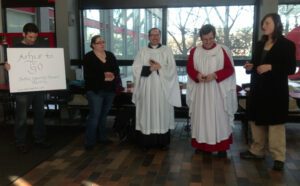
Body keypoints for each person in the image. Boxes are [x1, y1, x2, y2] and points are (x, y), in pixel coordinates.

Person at [240, 13, 296, 171]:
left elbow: (291, 68)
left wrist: (271, 67)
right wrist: (251, 67)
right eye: (263, 23)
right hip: (258, 89)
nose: (264, 26)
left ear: (277, 25)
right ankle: (257, 151)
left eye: (267, 23)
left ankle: (279, 157)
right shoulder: (259, 44)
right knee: (256, 121)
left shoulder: (287, 45)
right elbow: (256, 64)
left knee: (275, 124)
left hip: (276, 91)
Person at [186, 24, 237, 158]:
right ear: (201, 38)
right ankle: (201, 145)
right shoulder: (194, 52)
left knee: (219, 119)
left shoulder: (222, 50)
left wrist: (215, 75)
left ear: (214, 36)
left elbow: (229, 69)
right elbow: (190, 68)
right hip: (200, 91)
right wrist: (197, 75)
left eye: (210, 38)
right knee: (201, 118)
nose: (208, 42)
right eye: (205, 39)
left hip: (217, 92)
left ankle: (221, 147)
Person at [132, 28, 182, 149]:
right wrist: (149, 69)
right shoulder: (142, 51)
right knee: (146, 111)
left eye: (157, 35)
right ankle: (146, 142)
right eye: (152, 35)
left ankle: (162, 142)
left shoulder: (166, 50)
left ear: (160, 36)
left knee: (162, 111)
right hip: (146, 88)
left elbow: (172, 69)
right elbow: (135, 68)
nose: (155, 37)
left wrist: (160, 67)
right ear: (148, 37)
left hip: (162, 89)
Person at [4, 23, 50, 153]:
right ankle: (20, 142)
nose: (32, 40)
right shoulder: (15, 49)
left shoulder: (39, 48)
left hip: (38, 87)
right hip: (22, 89)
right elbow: (9, 66)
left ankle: (39, 139)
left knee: (40, 115)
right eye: (30, 37)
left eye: (35, 37)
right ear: (23, 34)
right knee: (21, 117)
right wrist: (7, 67)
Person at [83, 35, 120, 151]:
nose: (102, 44)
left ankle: (102, 138)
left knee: (103, 115)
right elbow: (88, 75)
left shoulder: (110, 55)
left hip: (110, 90)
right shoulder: (88, 57)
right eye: (99, 42)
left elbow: (116, 69)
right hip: (95, 91)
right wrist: (103, 76)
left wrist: (113, 75)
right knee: (95, 115)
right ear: (93, 45)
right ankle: (90, 141)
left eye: (103, 42)